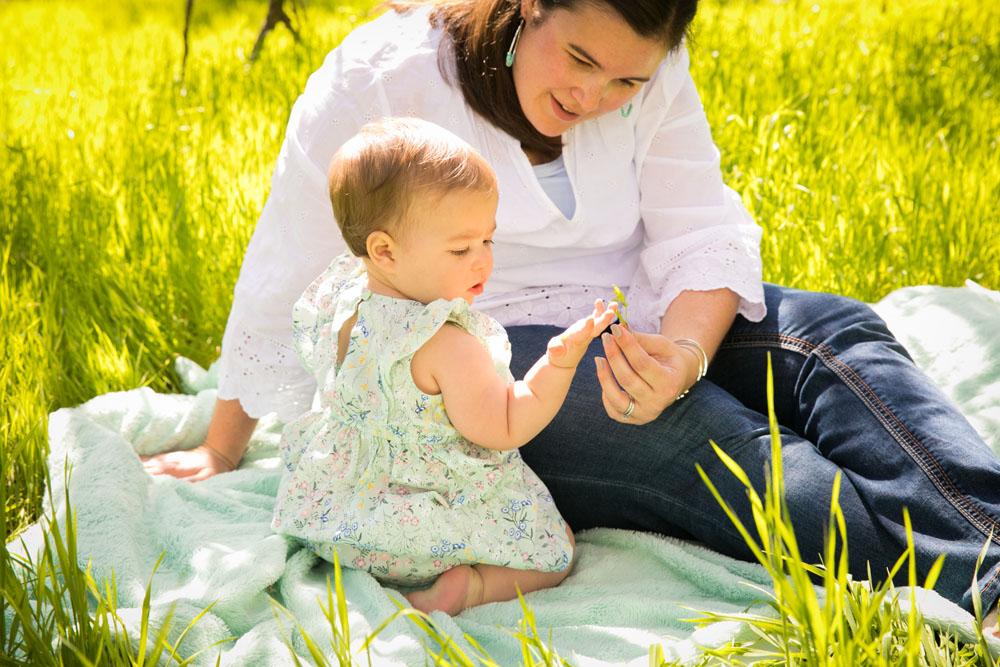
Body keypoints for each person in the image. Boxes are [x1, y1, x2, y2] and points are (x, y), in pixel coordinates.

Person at [142, 0, 1000, 622]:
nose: (595, 97)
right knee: (715, 436)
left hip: (644, 308)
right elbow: (283, 260)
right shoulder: (385, 76)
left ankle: (989, 557)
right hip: (495, 356)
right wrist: (224, 443)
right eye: (581, 61)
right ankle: (955, 565)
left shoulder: (653, 74)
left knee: (835, 335)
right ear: (525, 7)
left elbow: (698, 225)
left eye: (627, 76)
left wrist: (687, 353)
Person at [270, 117, 618, 614]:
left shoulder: (341, 303)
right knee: (555, 550)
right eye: (461, 248)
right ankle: (467, 589)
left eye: (488, 241)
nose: (482, 262)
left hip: (336, 521)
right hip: (422, 534)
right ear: (384, 250)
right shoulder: (447, 344)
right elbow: (504, 425)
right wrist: (557, 368)